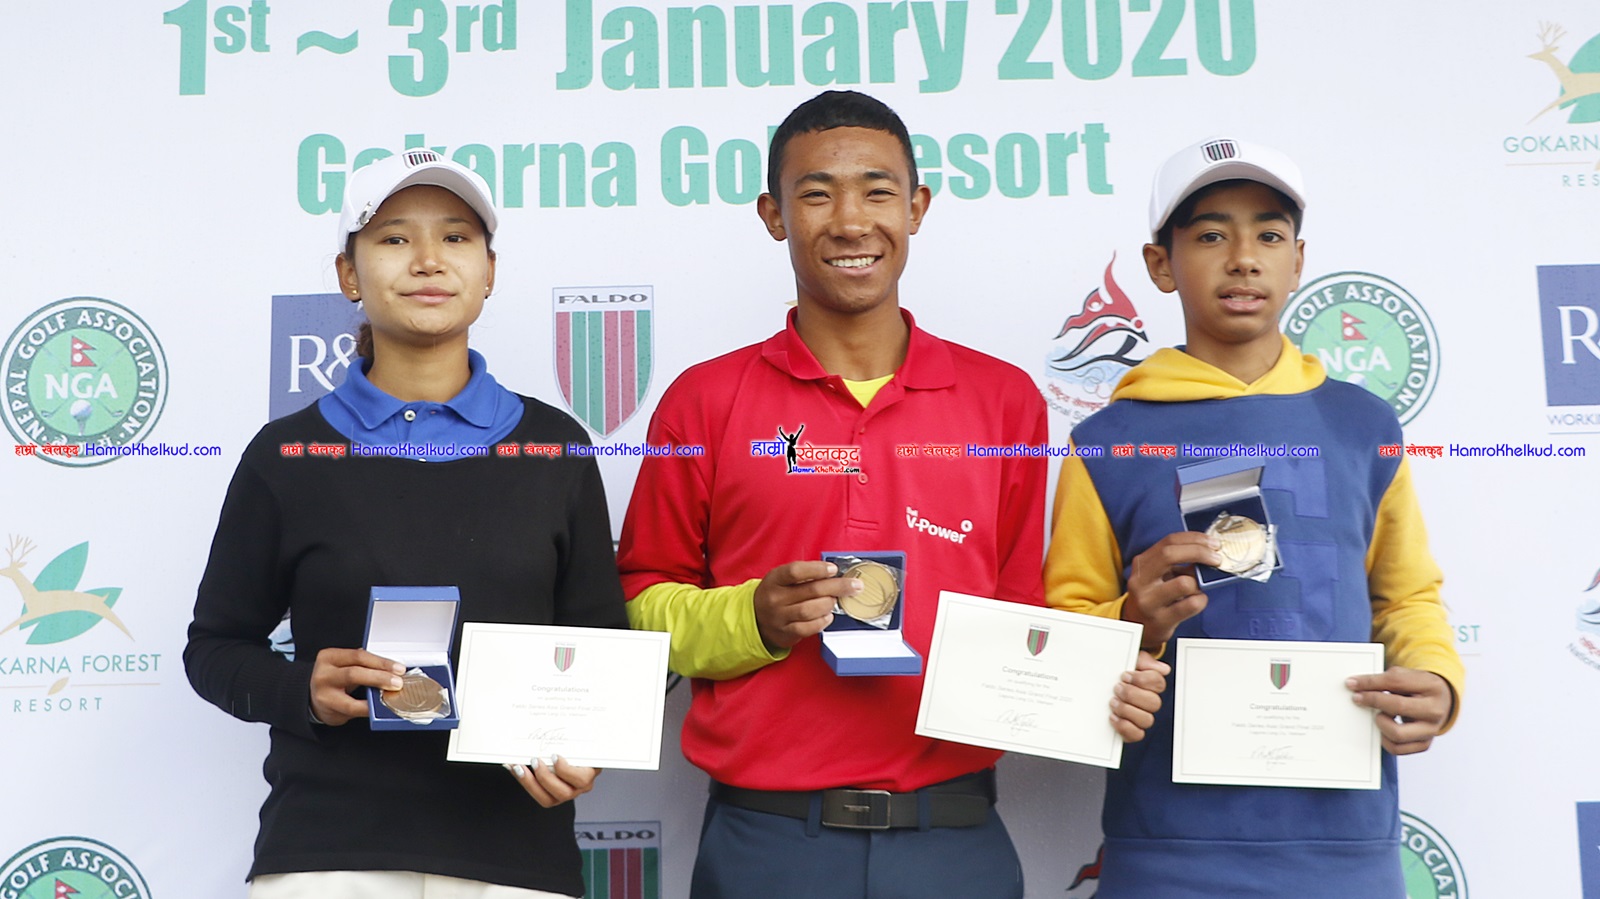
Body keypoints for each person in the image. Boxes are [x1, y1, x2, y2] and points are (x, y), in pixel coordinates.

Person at [616, 90, 1168, 899]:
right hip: (766, 842)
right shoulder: (704, 401)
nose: (850, 221)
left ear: (916, 208)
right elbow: (640, 606)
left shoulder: (1003, 402)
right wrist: (754, 616)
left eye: (877, 192)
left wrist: (1116, 659)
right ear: (773, 214)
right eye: (816, 194)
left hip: (954, 840)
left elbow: (1025, 614)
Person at [185, 149, 628, 899]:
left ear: (489, 271)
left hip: (515, 859)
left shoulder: (555, 446)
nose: (427, 259)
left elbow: (598, 646)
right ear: (348, 275)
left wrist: (586, 744)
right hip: (328, 858)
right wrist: (300, 688)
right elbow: (215, 648)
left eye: (455, 237)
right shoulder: (288, 454)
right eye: (393, 238)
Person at [1043, 137, 1465, 897]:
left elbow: (1406, 596)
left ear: (1298, 261)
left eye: (1269, 235)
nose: (1243, 259)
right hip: (1167, 851)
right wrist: (1133, 622)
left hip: (1347, 847)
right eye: (1211, 235)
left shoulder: (1362, 424)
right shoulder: (1106, 442)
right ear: (1161, 265)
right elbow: (1066, 632)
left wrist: (1435, 674)